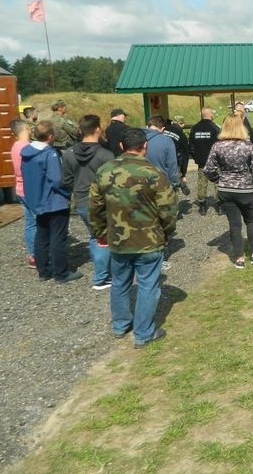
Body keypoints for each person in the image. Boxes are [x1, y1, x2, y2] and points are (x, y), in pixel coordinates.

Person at [89, 127, 177, 349]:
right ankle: (144, 333)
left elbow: (95, 207)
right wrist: (166, 232)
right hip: (149, 240)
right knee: (148, 285)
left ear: (121, 146)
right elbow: (167, 210)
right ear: (144, 147)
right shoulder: (155, 174)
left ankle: (120, 325)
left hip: (118, 239)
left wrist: (101, 234)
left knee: (119, 282)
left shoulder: (104, 171)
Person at [203, 114, 253, 268]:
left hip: (226, 189)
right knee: (251, 221)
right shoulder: (248, 146)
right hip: (245, 188)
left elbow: (208, 169)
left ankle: (239, 258)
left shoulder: (217, 146)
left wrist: (218, 180)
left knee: (234, 224)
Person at [20, 120, 81, 283]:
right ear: (51, 136)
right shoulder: (50, 154)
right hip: (54, 201)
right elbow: (56, 180)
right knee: (58, 237)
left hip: (37, 200)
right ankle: (61, 273)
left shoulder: (26, 152)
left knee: (42, 236)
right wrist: (67, 192)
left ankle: (44, 271)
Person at [61, 115, 115, 290]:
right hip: (103, 202)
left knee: (95, 236)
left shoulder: (68, 154)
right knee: (105, 238)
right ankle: (102, 277)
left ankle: (104, 273)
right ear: (98, 129)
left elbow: (66, 180)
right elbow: (113, 181)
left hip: (82, 201)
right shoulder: (106, 155)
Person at [10, 119, 36, 268]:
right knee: (39, 223)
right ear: (26, 128)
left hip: (20, 189)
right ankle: (40, 254)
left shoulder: (15, 146)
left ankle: (33, 255)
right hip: (30, 190)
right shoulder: (27, 148)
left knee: (30, 224)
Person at [189, 107, 221, 215]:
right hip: (215, 162)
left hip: (202, 162)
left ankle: (202, 206)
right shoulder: (215, 128)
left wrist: (196, 157)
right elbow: (220, 145)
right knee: (217, 182)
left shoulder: (195, 128)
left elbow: (191, 146)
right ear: (210, 115)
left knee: (202, 183)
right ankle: (220, 205)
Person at [144, 115, 181, 191]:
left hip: (141, 183)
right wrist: (174, 183)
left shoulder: (137, 137)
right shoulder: (167, 141)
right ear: (163, 129)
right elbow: (172, 164)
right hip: (162, 184)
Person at [163, 115, 191, 194]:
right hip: (174, 162)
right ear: (182, 124)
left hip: (160, 160)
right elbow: (185, 155)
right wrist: (183, 174)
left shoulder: (163, 130)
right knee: (173, 184)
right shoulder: (182, 135)